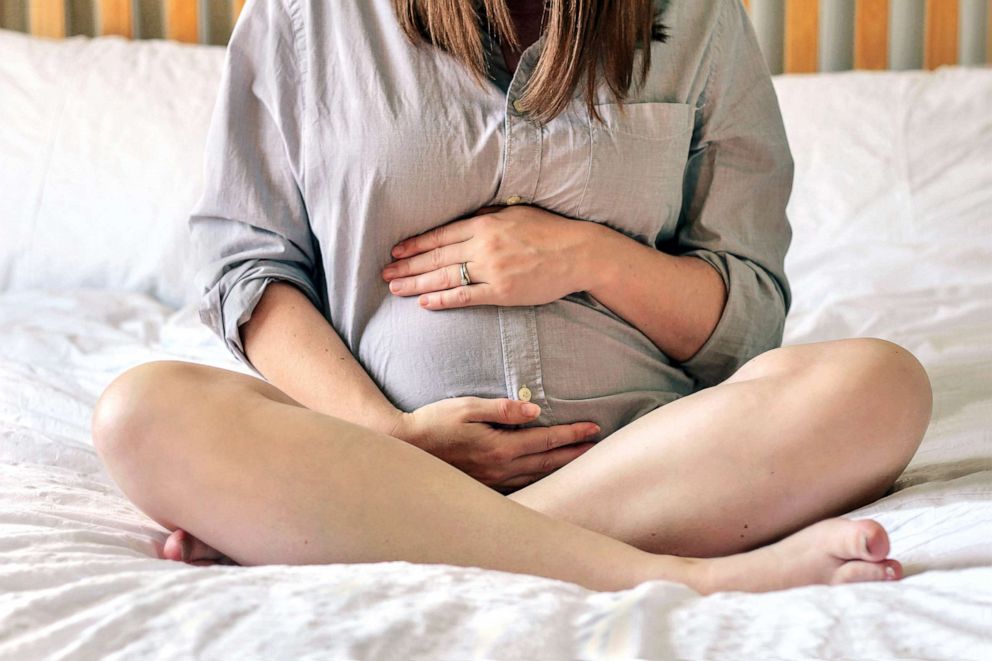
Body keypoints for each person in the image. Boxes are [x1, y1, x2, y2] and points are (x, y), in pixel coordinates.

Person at [90, 0, 933, 594]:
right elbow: (248, 267)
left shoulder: (700, 19)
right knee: (142, 411)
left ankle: (370, 531)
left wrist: (587, 256)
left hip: (648, 459)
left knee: (882, 384)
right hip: (381, 448)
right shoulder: (309, 16)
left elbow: (746, 313)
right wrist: (389, 438)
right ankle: (683, 574)